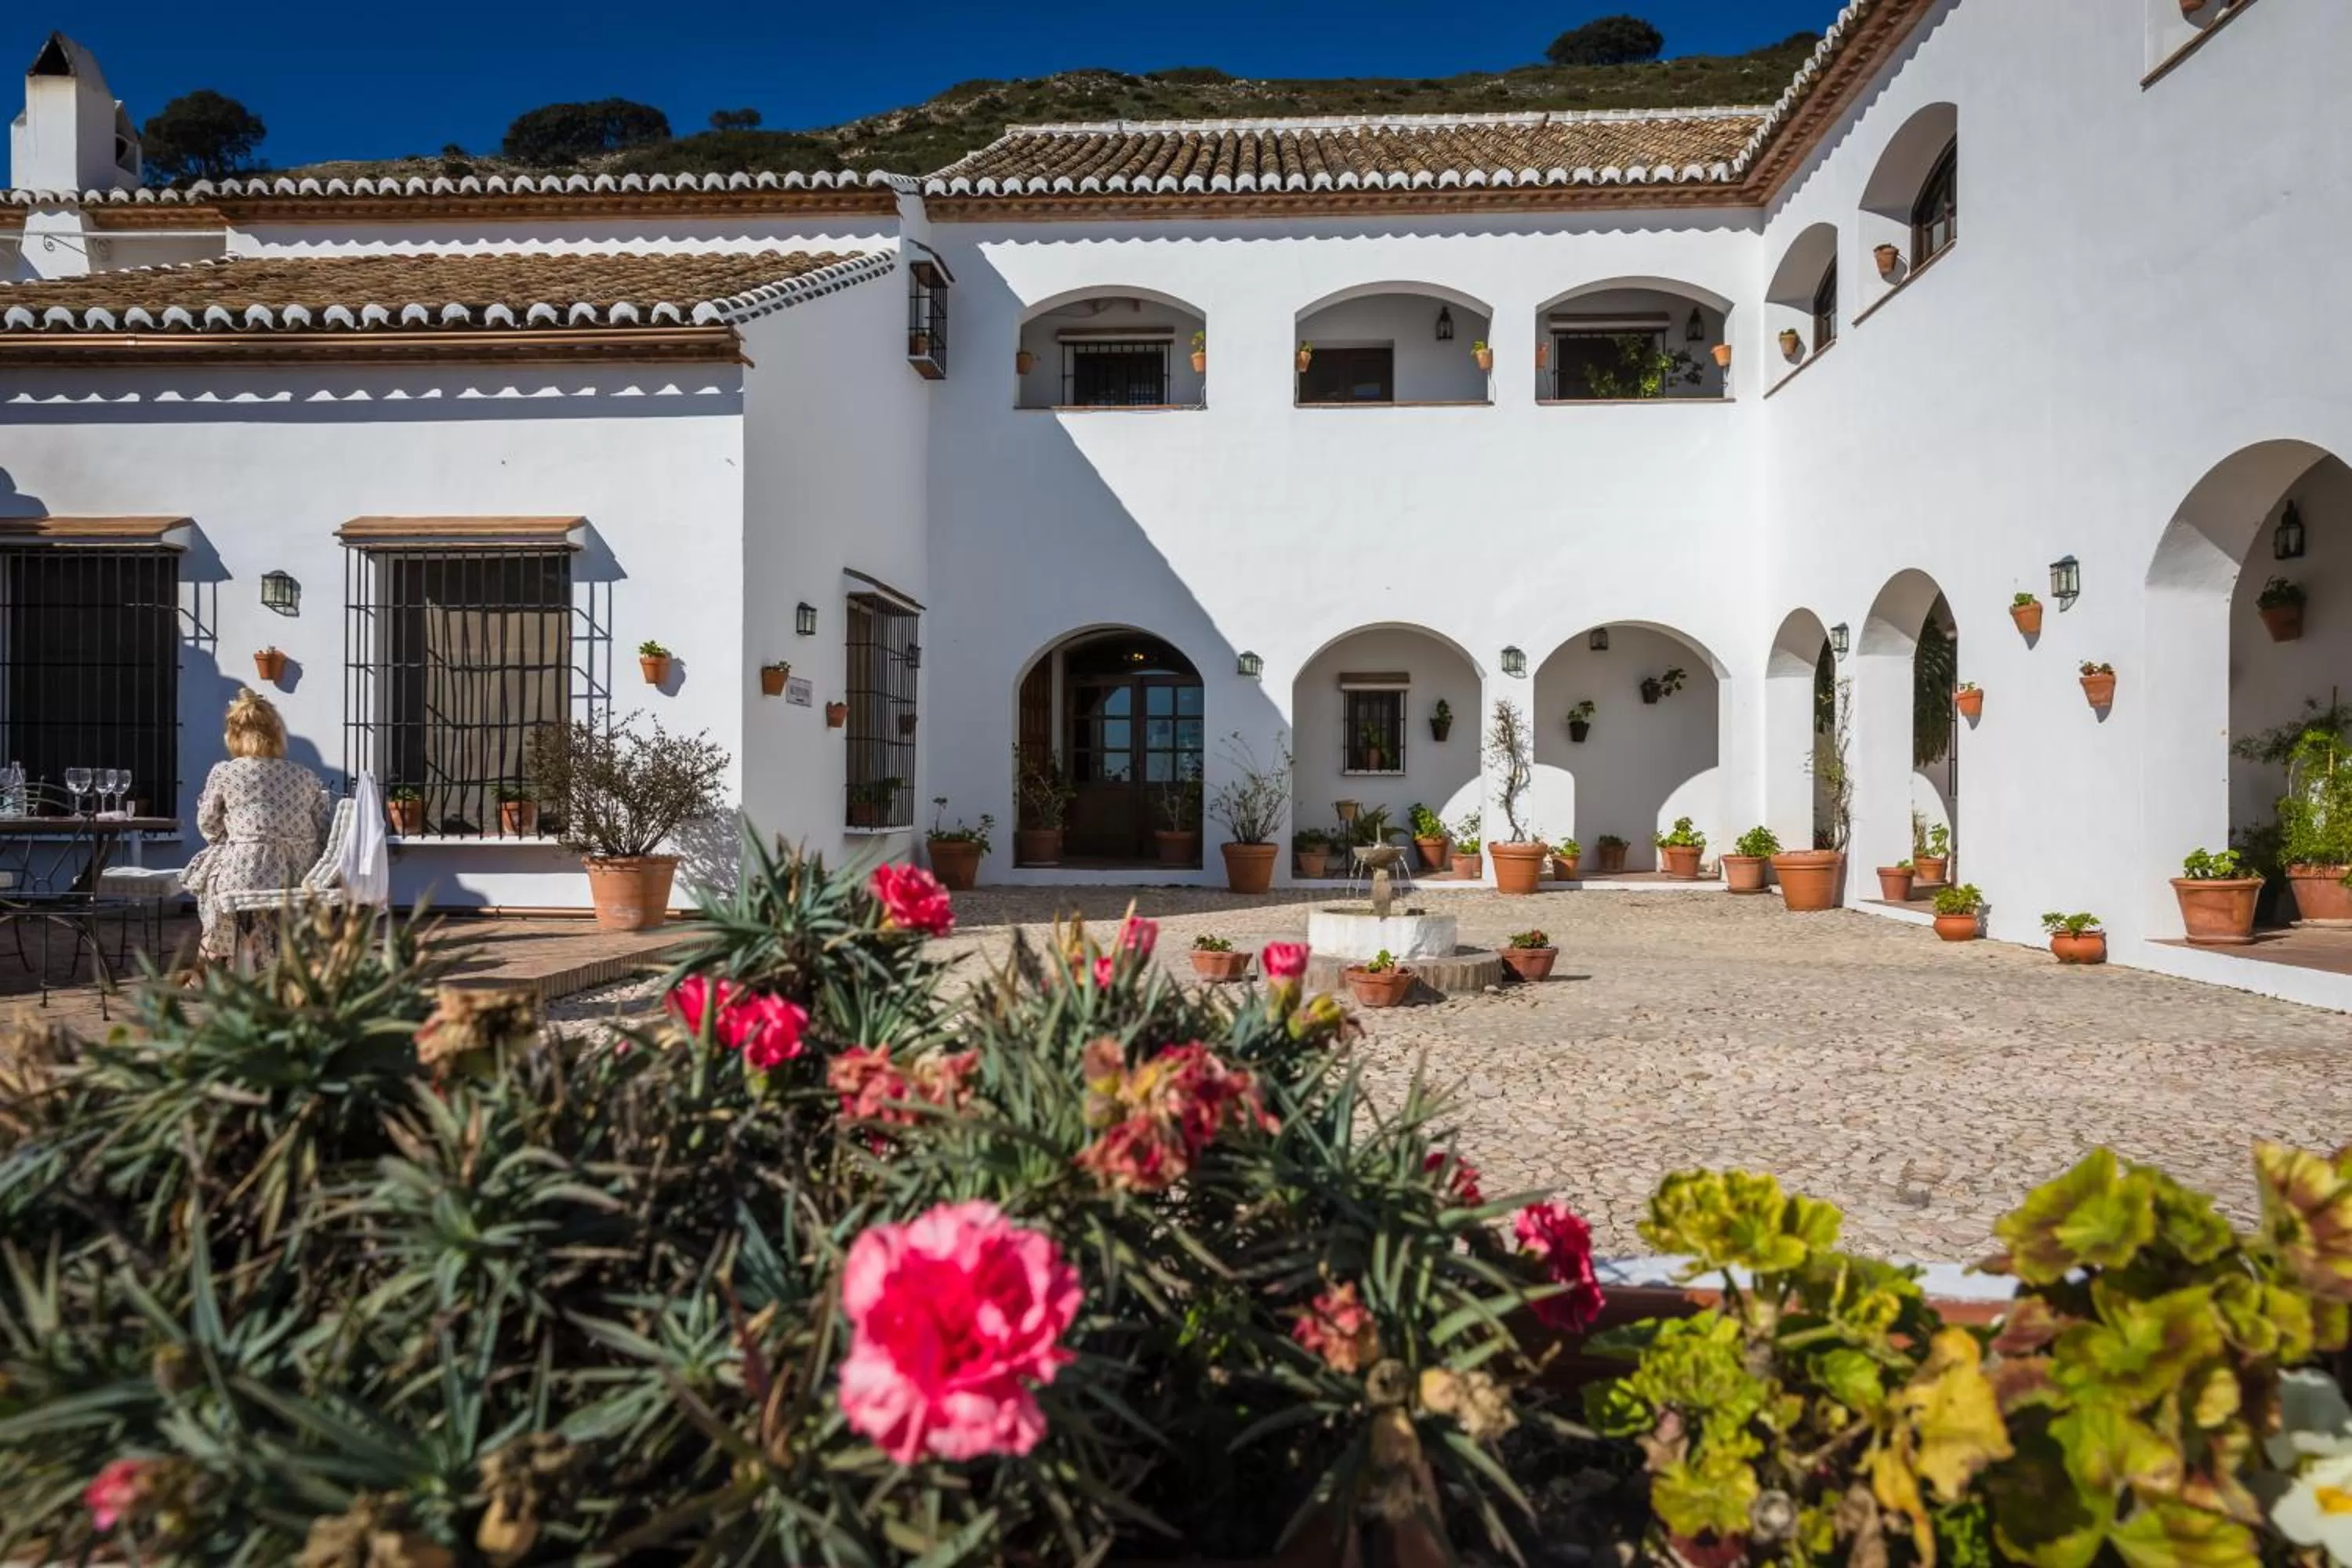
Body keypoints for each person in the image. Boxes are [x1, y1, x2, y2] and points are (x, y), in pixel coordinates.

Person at [180, 688, 332, 971]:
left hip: (247, 872)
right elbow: (322, 827)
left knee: (211, 873)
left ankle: (212, 958)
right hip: (300, 873)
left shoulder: (226, 772)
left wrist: (234, 838)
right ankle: (263, 960)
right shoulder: (305, 775)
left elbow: (208, 825)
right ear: (277, 733)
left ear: (233, 735)